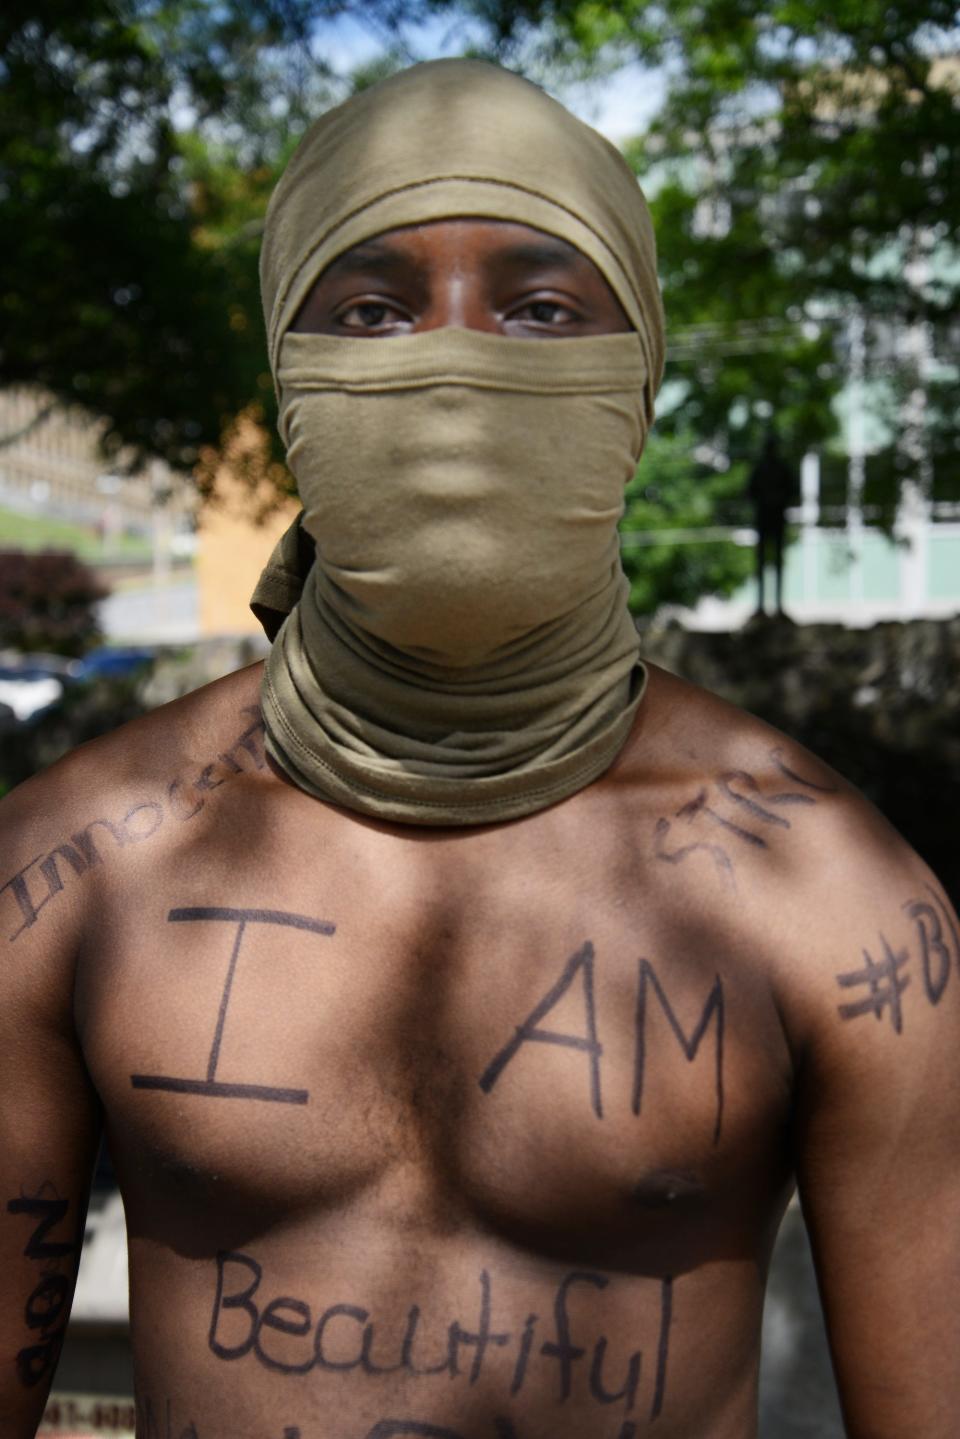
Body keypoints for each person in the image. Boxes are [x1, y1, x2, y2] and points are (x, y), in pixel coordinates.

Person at [1, 58, 958, 1439]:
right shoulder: (72, 870)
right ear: (293, 380)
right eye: (375, 308)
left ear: (636, 386)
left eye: (543, 307)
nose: (457, 363)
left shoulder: (843, 910)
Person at [747, 433, 797, 617]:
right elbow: (750, 492)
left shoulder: (778, 469)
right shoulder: (762, 469)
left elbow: (791, 491)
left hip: (774, 519)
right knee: (762, 563)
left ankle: (777, 606)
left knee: (775, 562)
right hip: (766, 519)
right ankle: (761, 606)